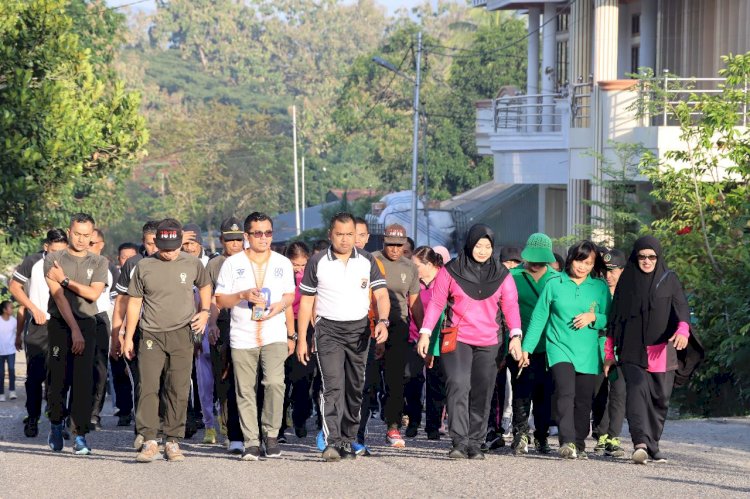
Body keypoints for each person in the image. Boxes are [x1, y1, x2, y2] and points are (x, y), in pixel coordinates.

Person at [417, 224, 522, 460]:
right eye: (478, 245)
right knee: (458, 384)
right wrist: (425, 331)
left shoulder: (502, 275)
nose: (483, 251)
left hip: (490, 340)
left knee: (482, 391)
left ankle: (475, 442)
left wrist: (515, 335)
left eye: (487, 246)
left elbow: (511, 306)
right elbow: (436, 303)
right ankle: (459, 441)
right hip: (458, 338)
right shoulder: (451, 271)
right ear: (469, 244)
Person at [296, 212, 390, 462]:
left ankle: (348, 440)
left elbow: (381, 295)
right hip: (328, 331)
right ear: (330, 235)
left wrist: (383, 320)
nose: (346, 239)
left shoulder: (367, 260)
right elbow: (306, 304)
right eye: (340, 234)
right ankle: (332, 442)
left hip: (359, 331)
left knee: (355, 388)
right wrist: (302, 339)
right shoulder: (317, 261)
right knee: (333, 386)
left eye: (350, 234)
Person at [123, 218, 212, 462]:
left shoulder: (192, 263)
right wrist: (128, 336)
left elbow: (205, 286)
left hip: (182, 333)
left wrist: (204, 312)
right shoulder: (144, 267)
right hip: (151, 333)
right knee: (148, 387)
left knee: (178, 388)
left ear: (181, 242)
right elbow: (134, 302)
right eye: (163, 248)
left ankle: (172, 441)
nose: (169, 253)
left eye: (173, 248)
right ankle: (150, 440)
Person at [215, 212, 295, 461]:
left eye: (268, 233)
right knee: (245, 389)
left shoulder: (282, 262)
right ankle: (251, 441)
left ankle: (270, 435)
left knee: (274, 383)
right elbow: (220, 299)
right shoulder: (233, 263)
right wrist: (242, 295)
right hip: (243, 334)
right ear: (247, 236)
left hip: (273, 333)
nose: (264, 238)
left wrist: (280, 307)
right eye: (258, 233)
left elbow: (290, 296)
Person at [520, 240, 610, 460]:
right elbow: (540, 317)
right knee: (564, 391)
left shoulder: (599, 287)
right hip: (559, 346)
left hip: (588, 352)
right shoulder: (554, 283)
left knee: (583, 400)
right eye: (580, 261)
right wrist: (527, 348)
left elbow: (611, 319)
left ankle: (579, 443)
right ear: (571, 259)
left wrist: (594, 317)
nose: (583, 267)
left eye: (588, 263)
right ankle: (567, 441)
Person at [605, 236, 690, 464]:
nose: (646, 260)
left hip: (662, 349)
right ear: (636, 257)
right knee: (637, 390)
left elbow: (682, 308)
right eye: (642, 256)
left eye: (651, 256)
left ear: (658, 257)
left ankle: (653, 444)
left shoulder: (669, 279)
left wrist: (683, 331)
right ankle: (640, 443)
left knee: (661, 398)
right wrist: (609, 353)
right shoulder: (627, 281)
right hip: (632, 350)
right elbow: (615, 319)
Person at [44, 213, 109, 455]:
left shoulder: (99, 262)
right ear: (69, 232)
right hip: (61, 325)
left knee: (84, 381)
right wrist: (73, 330)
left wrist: (65, 279)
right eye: (77, 234)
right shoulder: (53, 258)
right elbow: (59, 297)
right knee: (58, 377)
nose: (81, 239)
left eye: (86, 235)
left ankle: (79, 434)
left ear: (92, 236)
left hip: (88, 323)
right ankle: (55, 423)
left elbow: (93, 295)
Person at [9, 229, 69, 437]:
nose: (57, 257)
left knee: (59, 377)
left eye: (61, 251)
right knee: (35, 377)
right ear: (46, 247)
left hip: (62, 326)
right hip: (38, 327)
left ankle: (58, 421)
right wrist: (33, 308)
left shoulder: (70, 261)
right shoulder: (32, 262)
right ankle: (32, 417)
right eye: (53, 251)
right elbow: (14, 287)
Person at [507, 233, 559, 456]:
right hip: (518, 344)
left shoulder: (558, 279)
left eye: (541, 260)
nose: (536, 264)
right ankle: (520, 435)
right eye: (533, 259)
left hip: (548, 346)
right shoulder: (511, 276)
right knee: (521, 390)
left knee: (545, 393)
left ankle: (542, 436)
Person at [372, 224, 423, 447]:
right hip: (371, 325)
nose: (394, 249)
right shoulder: (371, 260)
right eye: (390, 244)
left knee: (397, 379)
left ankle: (393, 426)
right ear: (383, 242)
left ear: (405, 245)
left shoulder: (410, 267)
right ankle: (356, 427)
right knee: (369, 380)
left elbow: (415, 304)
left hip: (399, 326)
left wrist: (424, 334)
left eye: (399, 245)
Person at [110, 221, 159, 432]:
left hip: (168, 331)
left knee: (166, 382)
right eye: (150, 244)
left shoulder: (177, 262)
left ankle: (166, 427)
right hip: (138, 331)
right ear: (143, 242)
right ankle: (144, 429)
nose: (154, 248)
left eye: (158, 243)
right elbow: (121, 302)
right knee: (142, 381)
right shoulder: (133, 264)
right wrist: (118, 334)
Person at [204, 216, 245, 453]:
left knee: (248, 380)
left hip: (248, 325)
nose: (235, 244)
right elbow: (209, 297)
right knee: (225, 380)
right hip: (222, 323)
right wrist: (211, 324)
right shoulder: (215, 264)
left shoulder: (252, 261)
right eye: (230, 240)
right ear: (221, 240)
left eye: (239, 239)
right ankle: (230, 432)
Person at [592, 248, 627, 457]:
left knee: (619, 392)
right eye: (605, 271)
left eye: (613, 271)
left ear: (623, 270)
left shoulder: (628, 292)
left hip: (620, 349)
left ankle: (614, 436)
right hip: (597, 346)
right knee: (598, 392)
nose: (609, 276)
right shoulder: (597, 290)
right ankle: (600, 434)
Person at [408, 246, 446, 440]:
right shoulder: (416, 283)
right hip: (415, 338)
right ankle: (414, 421)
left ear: (429, 264)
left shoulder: (444, 280)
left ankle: (433, 426)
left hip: (440, 339)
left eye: (416, 265)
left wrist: (431, 343)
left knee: (436, 383)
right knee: (412, 379)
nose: (413, 269)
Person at [280, 241, 316, 441]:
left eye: (303, 265)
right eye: (296, 265)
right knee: (282, 380)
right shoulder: (282, 278)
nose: (300, 269)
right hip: (284, 326)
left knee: (303, 378)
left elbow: (314, 304)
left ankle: (300, 419)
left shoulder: (312, 277)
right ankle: (279, 427)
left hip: (307, 328)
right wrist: (291, 334)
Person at [88, 228, 117, 431]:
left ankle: (94, 414)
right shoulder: (70, 265)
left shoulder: (109, 269)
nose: (87, 247)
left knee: (99, 369)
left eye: (92, 243)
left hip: (100, 319)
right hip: (78, 318)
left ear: (101, 244)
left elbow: (117, 303)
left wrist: (118, 332)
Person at [0, 301, 17, 402]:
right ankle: (1, 393)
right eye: (10, 307)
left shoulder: (14, 321)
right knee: (1, 373)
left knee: (11, 370)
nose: (12, 309)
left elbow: (18, 333)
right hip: (0, 352)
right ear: (4, 310)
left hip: (11, 351)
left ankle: (12, 391)